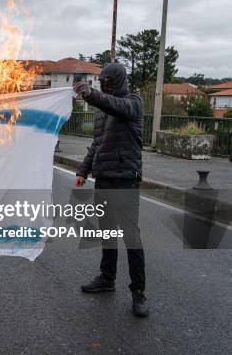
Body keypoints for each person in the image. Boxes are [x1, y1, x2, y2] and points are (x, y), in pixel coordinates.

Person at [73, 63, 148, 318]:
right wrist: (83, 170)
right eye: (101, 81)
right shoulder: (102, 113)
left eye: (108, 80)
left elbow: (118, 106)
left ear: (117, 80)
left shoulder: (133, 101)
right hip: (103, 179)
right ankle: (107, 279)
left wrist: (92, 94)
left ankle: (138, 293)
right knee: (107, 234)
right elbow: (97, 144)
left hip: (125, 179)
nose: (105, 84)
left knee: (131, 237)